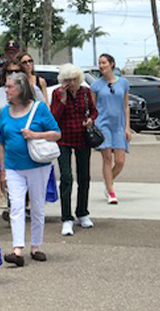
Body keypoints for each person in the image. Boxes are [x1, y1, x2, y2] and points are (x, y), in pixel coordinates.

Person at [0, 73, 61, 267]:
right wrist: (2, 170)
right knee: (16, 207)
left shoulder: (39, 109)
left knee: (37, 205)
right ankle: (17, 249)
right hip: (13, 167)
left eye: (10, 87)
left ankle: (36, 245)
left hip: (37, 166)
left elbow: (57, 134)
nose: (6, 90)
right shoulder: (4, 111)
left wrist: (35, 134)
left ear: (21, 88)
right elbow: (1, 143)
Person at [51, 64, 98, 236]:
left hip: (82, 139)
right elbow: (53, 116)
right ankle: (66, 218)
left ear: (78, 79)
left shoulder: (85, 93)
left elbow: (94, 111)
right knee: (66, 177)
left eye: (72, 80)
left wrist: (91, 120)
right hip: (63, 139)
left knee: (84, 176)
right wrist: (62, 101)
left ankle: (82, 212)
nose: (69, 83)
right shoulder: (57, 93)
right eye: (66, 80)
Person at [91, 53, 130, 204]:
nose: (101, 66)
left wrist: (127, 127)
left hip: (118, 125)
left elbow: (126, 106)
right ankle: (111, 192)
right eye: (99, 63)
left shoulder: (123, 83)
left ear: (112, 64)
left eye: (104, 63)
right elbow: (93, 108)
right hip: (102, 125)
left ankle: (108, 182)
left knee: (120, 161)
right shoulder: (96, 85)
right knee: (107, 158)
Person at [0, 61, 23, 210]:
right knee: (1, 170)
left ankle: (20, 203)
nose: (13, 74)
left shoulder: (29, 90)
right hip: (1, 137)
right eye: (9, 71)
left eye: (16, 71)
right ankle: (3, 196)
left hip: (20, 138)